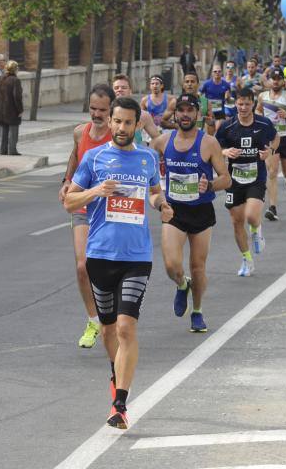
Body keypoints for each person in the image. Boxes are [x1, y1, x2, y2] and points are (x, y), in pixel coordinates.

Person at [64, 96, 173, 430]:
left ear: (138, 124)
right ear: (109, 122)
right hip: (100, 255)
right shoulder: (94, 158)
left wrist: (161, 204)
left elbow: (154, 192)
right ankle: (117, 372)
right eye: (118, 121)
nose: (122, 128)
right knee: (109, 328)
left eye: (129, 122)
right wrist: (96, 191)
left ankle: (120, 404)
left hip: (137, 256)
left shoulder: (147, 158)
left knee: (126, 327)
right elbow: (70, 202)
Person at [151, 94, 231, 332]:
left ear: (197, 114)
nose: (185, 114)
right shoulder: (163, 142)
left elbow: (226, 179)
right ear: (175, 114)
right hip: (174, 210)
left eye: (190, 110)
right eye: (181, 110)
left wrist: (210, 185)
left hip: (201, 212)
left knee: (197, 267)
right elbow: (144, 164)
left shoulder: (209, 143)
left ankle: (197, 311)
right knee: (171, 265)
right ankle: (181, 284)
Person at [58, 84, 116, 349]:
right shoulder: (80, 132)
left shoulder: (118, 135)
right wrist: (67, 181)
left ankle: (112, 317)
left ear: (111, 110)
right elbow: (74, 156)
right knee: (83, 267)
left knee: (109, 268)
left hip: (110, 210)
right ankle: (94, 320)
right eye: (93, 108)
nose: (96, 114)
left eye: (102, 110)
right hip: (84, 205)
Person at [216, 88, 279, 277]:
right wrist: (225, 152)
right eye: (240, 104)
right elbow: (215, 146)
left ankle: (256, 229)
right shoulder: (227, 126)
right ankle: (247, 259)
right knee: (236, 221)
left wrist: (270, 152)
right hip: (234, 179)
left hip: (256, 177)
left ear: (253, 104)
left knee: (251, 215)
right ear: (235, 104)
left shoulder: (263, 123)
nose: (243, 107)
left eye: (247, 104)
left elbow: (275, 138)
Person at [256, 70, 286, 221]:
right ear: (270, 81)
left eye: (279, 79)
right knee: (272, 172)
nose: (276, 81)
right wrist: (261, 119)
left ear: (283, 81)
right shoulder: (263, 96)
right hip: (271, 138)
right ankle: (272, 208)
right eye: (273, 79)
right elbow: (258, 110)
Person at [0, 60, 23, 155]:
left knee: (4, 130)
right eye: (17, 68)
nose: (18, 70)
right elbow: (17, 96)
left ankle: (3, 150)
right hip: (12, 109)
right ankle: (12, 150)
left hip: (2, 108)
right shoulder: (15, 80)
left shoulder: (0, 78)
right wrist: (20, 110)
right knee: (13, 130)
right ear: (14, 69)